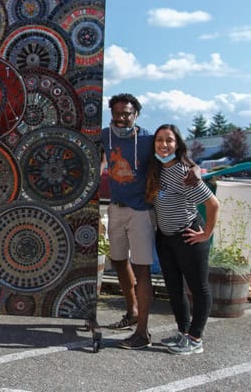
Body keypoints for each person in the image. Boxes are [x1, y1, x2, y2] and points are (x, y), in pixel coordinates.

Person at [146, 124, 219, 355]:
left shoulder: (183, 172)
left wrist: (206, 234)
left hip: (188, 236)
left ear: (177, 145)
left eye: (169, 140)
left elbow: (213, 204)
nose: (164, 145)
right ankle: (183, 332)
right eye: (159, 140)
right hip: (165, 238)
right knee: (174, 288)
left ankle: (195, 338)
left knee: (198, 288)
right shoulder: (155, 169)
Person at [100, 93, 155, 349]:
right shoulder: (105, 136)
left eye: (127, 114)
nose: (121, 118)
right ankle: (132, 310)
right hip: (116, 208)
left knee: (142, 268)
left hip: (141, 211)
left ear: (136, 115)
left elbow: (172, 161)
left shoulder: (148, 139)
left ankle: (142, 332)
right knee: (119, 262)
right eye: (117, 113)